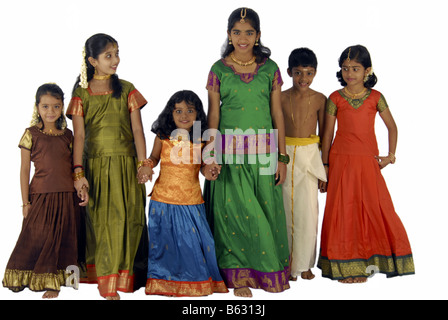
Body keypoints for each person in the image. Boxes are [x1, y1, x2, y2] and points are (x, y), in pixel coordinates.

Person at [203, 7, 290, 297]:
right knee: (234, 214)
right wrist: (209, 153)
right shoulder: (218, 70)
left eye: (249, 32)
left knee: (262, 215)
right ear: (229, 35)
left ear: (258, 35)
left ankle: (264, 271)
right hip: (229, 155)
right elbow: (213, 115)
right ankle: (237, 275)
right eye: (237, 32)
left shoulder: (270, 68)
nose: (243, 38)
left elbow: (277, 114)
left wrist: (282, 157)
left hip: (264, 155)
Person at [318, 45, 415, 283]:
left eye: (356, 68)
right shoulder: (335, 98)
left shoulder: (375, 97)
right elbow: (327, 135)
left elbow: (392, 126)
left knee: (375, 209)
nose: (350, 73)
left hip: (367, 162)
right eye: (345, 68)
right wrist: (325, 167)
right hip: (340, 161)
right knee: (343, 212)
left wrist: (390, 156)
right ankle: (344, 267)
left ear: (367, 70)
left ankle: (365, 264)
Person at [66, 33, 150, 299]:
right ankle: (106, 283)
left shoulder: (126, 89)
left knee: (129, 220)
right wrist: (78, 172)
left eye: (117, 53)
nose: (116, 60)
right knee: (102, 222)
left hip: (127, 167)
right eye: (108, 56)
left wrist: (143, 163)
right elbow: (79, 136)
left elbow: (137, 130)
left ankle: (124, 278)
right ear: (92, 60)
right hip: (96, 169)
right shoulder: (82, 93)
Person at [2, 83, 88, 299]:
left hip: (67, 196)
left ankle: (56, 283)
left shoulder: (68, 136)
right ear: (37, 107)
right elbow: (24, 171)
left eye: (56, 107)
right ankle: (37, 276)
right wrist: (25, 202)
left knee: (64, 240)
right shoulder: (31, 134)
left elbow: (74, 166)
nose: (51, 112)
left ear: (61, 108)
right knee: (39, 238)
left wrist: (81, 189)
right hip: (41, 195)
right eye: (46, 106)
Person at [143, 90, 228, 297]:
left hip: (190, 202)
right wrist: (146, 166)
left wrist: (212, 170)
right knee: (165, 247)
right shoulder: (162, 136)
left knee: (196, 245)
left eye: (190, 111)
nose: (184, 116)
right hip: (162, 202)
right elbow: (153, 158)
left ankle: (195, 282)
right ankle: (165, 283)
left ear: (198, 114)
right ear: (170, 113)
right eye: (178, 110)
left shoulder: (202, 139)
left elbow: (205, 167)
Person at [280, 48, 327, 281]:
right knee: (284, 211)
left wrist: (325, 167)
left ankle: (305, 263)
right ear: (289, 72)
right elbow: (273, 129)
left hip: (309, 156)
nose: (303, 79)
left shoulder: (320, 99)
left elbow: (326, 134)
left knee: (307, 212)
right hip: (284, 154)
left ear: (315, 73)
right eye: (298, 73)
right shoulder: (279, 97)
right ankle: (287, 263)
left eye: (308, 73)